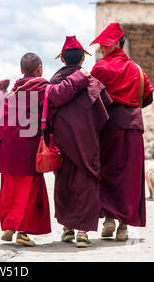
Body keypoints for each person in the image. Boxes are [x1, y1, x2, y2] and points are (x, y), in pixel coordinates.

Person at [0, 52, 90, 247]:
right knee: (28, 188)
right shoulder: (39, 87)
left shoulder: (14, 91)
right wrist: (80, 76)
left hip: (7, 146)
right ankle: (22, 232)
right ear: (40, 69)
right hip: (26, 146)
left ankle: (9, 225)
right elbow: (61, 93)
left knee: (10, 187)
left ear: (21, 71)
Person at [90, 23, 154, 241]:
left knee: (107, 171)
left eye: (104, 44)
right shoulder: (137, 69)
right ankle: (123, 226)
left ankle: (108, 219)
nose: (100, 48)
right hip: (134, 127)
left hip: (108, 127)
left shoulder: (101, 67)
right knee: (129, 175)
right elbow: (147, 97)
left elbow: (91, 98)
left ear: (117, 43)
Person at [50, 36, 113, 247]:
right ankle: (82, 233)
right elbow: (105, 113)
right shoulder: (92, 82)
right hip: (86, 143)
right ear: (81, 61)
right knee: (85, 185)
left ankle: (67, 229)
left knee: (64, 183)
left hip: (61, 144)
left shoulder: (53, 83)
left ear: (62, 60)